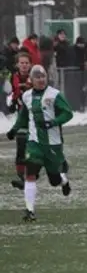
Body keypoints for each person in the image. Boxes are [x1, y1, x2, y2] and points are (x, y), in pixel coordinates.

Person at [5, 65, 73, 222]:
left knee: (54, 181)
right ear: (31, 79)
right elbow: (23, 117)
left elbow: (68, 113)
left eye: (43, 76)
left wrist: (54, 122)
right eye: (38, 77)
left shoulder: (55, 95)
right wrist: (14, 130)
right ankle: (30, 211)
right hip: (34, 143)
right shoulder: (27, 96)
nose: (41, 79)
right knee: (30, 173)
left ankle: (63, 179)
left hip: (53, 144)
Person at [7, 52, 33, 190]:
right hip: (22, 117)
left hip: (35, 118)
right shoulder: (14, 77)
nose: (24, 65)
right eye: (21, 63)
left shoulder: (35, 75)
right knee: (21, 146)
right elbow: (14, 92)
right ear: (17, 64)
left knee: (35, 148)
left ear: (30, 64)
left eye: (26, 63)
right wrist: (12, 101)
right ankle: (22, 177)